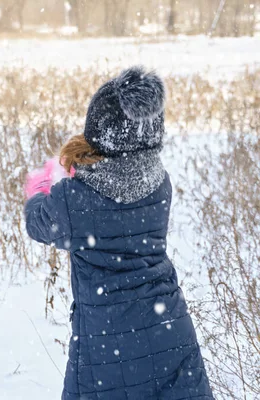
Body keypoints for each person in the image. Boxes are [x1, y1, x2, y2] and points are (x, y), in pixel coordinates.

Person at [24, 66, 213, 399]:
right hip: (169, 330)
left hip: (106, 343)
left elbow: (38, 223)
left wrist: (40, 188)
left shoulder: (73, 198)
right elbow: (119, 190)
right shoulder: (160, 183)